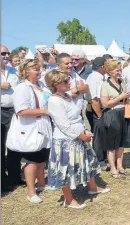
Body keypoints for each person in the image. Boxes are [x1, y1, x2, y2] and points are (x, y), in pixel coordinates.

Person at [45, 70, 110, 209]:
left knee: (89, 161)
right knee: (67, 170)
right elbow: (64, 125)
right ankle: (68, 199)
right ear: (56, 84)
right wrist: (82, 136)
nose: (69, 83)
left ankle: (92, 186)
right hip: (66, 140)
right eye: (65, 81)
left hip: (79, 135)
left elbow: (76, 116)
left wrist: (84, 130)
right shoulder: (54, 100)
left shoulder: (67, 96)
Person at [7, 60, 53, 203]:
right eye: (34, 69)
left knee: (41, 157)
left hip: (43, 124)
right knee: (32, 160)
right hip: (30, 127)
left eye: (39, 68)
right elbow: (21, 110)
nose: (38, 71)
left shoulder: (41, 85)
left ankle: (41, 184)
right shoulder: (23, 88)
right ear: (26, 71)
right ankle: (31, 192)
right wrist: (45, 111)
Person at [100, 59, 130, 178]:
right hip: (112, 114)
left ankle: (120, 166)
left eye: (120, 70)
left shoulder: (121, 82)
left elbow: (124, 96)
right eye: (117, 70)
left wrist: (126, 98)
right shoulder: (105, 85)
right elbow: (105, 104)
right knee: (112, 144)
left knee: (121, 142)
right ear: (109, 71)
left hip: (123, 112)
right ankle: (112, 167)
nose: (119, 72)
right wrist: (120, 97)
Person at [1, 49, 20, 192]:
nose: (7, 56)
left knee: (14, 144)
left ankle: (15, 176)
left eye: (7, 53)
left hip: (13, 111)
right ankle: (3, 179)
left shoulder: (13, 71)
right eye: (3, 54)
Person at [85, 56, 108, 168]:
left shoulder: (99, 77)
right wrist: (99, 115)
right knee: (98, 136)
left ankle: (103, 157)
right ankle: (99, 160)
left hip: (98, 109)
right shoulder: (95, 78)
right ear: (102, 67)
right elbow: (94, 99)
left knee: (102, 134)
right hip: (96, 110)